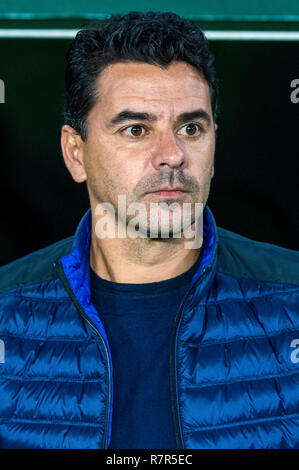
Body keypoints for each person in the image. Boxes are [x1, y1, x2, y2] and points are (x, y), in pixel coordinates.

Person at [0, 11, 298, 450]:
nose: (172, 155)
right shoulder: (8, 311)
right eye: (136, 129)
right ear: (75, 154)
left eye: (191, 128)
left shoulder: (291, 296)